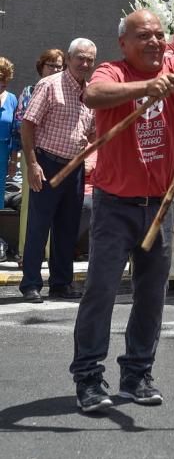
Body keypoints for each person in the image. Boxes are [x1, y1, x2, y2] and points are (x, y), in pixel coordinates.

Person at [70, 9, 174, 414]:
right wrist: (148, 88)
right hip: (115, 204)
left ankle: (137, 373)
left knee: (151, 296)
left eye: (159, 35)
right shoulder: (111, 71)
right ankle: (88, 377)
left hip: (159, 204)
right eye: (144, 36)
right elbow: (93, 96)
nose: (154, 42)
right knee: (101, 291)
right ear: (124, 43)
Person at [19, 38, 96, 304]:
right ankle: (30, 284)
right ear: (70, 58)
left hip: (74, 167)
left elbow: (93, 131)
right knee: (38, 228)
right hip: (47, 162)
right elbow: (28, 125)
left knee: (67, 228)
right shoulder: (49, 85)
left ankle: (61, 284)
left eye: (90, 59)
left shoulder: (91, 92)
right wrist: (31, 164)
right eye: (80, 58)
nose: (85, 64)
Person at [14, 48, 65, 265]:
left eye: (59, 66)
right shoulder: (30, 90)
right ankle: (26, 253)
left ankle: (49, 254)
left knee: (58, 208)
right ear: (41, 67)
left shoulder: (66, 90)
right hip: (33, 154)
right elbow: (21, 122)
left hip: (59, 156)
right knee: (31, 206)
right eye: (50, 65)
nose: (55, 69)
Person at [0, 57, 20, 209]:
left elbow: (15, 132)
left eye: (6, 78)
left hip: (3, 151)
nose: (3, 82)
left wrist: (13, 160)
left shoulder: (12, 99)